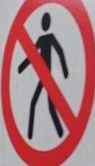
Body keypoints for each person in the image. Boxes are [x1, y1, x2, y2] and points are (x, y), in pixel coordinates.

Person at [17, 11, 69, 141]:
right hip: (44, 76)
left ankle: (61, 132)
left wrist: (65, 70)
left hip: (47, 76)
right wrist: (21, 67)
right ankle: (33, 134)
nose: (44, 24)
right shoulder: (42, 39)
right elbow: (31, 55)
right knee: (36, 102)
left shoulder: (50, 38)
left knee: (44, 104)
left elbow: (60, 51)